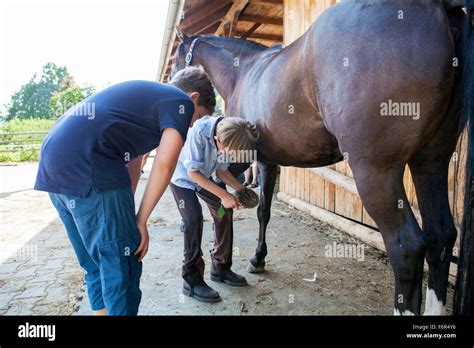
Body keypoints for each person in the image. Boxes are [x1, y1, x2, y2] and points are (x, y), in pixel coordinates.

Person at [34, 67, 216, 315]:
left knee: (97, 264)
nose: (190, 125)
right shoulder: (180, 101)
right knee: (122, 268)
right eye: (196, 119)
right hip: (91, 164)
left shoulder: (146, 102)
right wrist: (140, 221)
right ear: (193, 97)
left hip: (54, 163)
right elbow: (165, 164)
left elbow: (134, 161)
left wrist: (127, 216)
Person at [170, 116, 259, 303]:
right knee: (193, 219)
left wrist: (241, 190)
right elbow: (192, 173)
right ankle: (191, 280)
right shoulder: (199, 133)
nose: (232, 157)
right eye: (231, 153)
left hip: (203, 177)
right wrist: (224, 195)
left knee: (222, 211)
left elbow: (221, 172)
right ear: (218, 140)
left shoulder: (229, 134)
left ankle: (220, 267)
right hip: (183, 177)